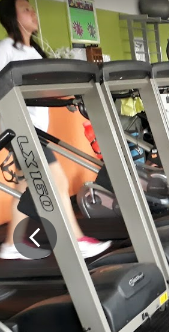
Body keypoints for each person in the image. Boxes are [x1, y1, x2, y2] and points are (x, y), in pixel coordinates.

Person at [0, 0, 110, 260]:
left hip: (35, 129)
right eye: (25, 9)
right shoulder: (5, 49)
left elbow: (39, 89)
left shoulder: (34, 51)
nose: (32, 12)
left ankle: (11, 244)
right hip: (19, 130)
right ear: (13, 17)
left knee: (27, 186)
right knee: (57, 181)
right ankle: (76, 239)